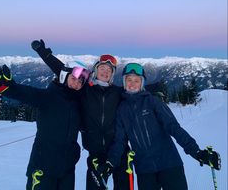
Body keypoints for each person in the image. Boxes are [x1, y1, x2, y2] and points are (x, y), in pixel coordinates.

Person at [92, 63, 221, 190]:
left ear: (142, 83)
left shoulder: (152, 102)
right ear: (124, 82)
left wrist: (197, 152)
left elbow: (174, 128)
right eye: (129, 80)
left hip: (169, 164)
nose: (132, 83)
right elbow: (119, 142)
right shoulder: (121, 110)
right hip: (145, 170)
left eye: (136, 80)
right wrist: (110, 164)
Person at [31, 39, 130, 190]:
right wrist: (44, 53)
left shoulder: (118, 92)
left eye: (109, 71)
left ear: (112, 75)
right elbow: (64, 71)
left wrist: (154, 90)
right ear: (96, 71)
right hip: (96, 154)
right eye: (102, 68)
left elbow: (136, 90)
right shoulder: (86, 90)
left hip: (118, 152)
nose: (105, 72)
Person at [0, 59, 90, 190]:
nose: (76, 84)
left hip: (66, 170)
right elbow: (23, 93)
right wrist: (4, 86)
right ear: (64, 76)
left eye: (80, 82)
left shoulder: (78, 103)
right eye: (74, 78)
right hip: (43, 168)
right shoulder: (48, 97)